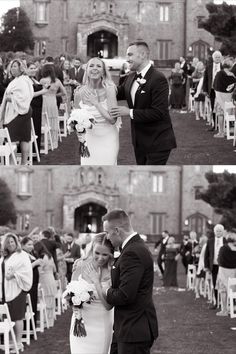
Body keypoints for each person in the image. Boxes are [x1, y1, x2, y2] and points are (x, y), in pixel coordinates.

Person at [101, 209, 158, 354]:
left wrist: (104, 288)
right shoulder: (131, 248)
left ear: (117, 230)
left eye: (107, 232)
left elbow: (124, 295)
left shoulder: (133, 252)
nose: (107, 238)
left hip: (134, 330)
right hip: (127, 328)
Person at [110, 41, 176, 165]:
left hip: (158, 141)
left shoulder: (158, 78)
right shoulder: (131, 77)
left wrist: (129, 112)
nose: (127, 59)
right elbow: (117, 92)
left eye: (130, 55)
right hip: (139, 141)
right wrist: (97, 87)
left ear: (143, 55)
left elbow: (159, 112)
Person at [70, 232, 114, 354]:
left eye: (105, 254)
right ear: (92, 249)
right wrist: (73, 303)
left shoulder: (113, 271)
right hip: (79, 323)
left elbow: (109, 306)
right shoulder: (80, 265)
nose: (100, 258)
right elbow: (71, 290)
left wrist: (96, 282)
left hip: (101, 324)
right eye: (97, 253)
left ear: (111, 254)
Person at [74, 57, 121, 165]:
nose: (95, 68)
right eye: (91, 65)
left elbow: (113, 120)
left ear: (103, 71)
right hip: (89, 140)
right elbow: (76, 119)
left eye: (98, 66)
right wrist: (78, 130)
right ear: (87, 70)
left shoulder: (110, 89)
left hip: (108, 138)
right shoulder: (79, 92)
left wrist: (96, 103)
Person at [0, 233, 33, 353]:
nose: (10, 244)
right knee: (7, 318)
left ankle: (18, 343)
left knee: (17, 317)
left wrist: (14, 275)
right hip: (5, 290)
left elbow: (26, 271)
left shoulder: (22, 255)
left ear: (16, 242)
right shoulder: (5, 256)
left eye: (12, 241)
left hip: (17, 290)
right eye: (8, 242)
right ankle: (10, 342)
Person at [0, 59, 34, 165]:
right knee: (19, 138)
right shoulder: (17, 80)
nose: (12, 68)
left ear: (21, 68)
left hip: (19, 113)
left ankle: (20, 164)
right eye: (11, 66)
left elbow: (24, 97)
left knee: (17, 139)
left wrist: (8, 98)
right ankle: (13, 164)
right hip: (18, 112)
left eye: (15, 66)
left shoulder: (23, 80)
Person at [40, 64, 67, 149]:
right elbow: (64, 93)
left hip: (44, 101)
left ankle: (45, 142)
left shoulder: (42, 80)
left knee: (45, 120)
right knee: (53, 120)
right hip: (53, 101)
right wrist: (55, 95)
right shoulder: (57, 81)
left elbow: (41, 91)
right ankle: (53, 143)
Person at [27, 61, 49, 154]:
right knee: (32, 129)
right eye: (31, 68)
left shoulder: (34, 79)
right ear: (26, 69)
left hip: (38, 107)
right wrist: (43, 91)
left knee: (37, 128)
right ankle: (30, 152)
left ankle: (36, 152)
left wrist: (45, 88)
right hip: (31, 107)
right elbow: (29, 95)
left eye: (34, 68)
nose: (33, 70)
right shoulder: (26, 80)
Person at [21, 236, 43, 326]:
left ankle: (32, 326)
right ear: (22, 245)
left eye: (32, 244)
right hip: (28, 283)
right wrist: (35, 263)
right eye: (29, 244)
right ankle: (28, 327)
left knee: (33, 304)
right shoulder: (22, 254)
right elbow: (24, 269)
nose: (31, 246)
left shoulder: (32, 253)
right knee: (28, 305)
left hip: (34, 282)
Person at [213, 57, 236, 138]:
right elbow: (233, 88)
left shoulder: (219, 74)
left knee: (220, 114)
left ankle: (221, 132)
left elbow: (214, 85)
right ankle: (229, 131)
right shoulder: (233, 76)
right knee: (230, 114)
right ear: (230, 66)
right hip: (229, 98)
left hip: (220, 97)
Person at [204, 224, 226, 309]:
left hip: (224, 267)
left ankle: (225, 304)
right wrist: (206, 266)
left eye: (220, 231)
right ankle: (216, 302)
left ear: (223, 232)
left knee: (224, 285)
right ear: (214, 232)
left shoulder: (225, 241)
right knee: (214, 284)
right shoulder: (210, 241)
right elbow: (206, 255)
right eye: (217, 231)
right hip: (213, 266)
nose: (218, 232)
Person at [217, 229, 236, 316]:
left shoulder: (223, 248)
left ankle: (224, 310)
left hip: (223, 271)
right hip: (234, 272)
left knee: (223, 290)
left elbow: (219, 260)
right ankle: (232, 308)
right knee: (233, 291)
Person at [202, 50, 223, 131]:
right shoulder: (209, 66)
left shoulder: (223, 67)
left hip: (221, 91)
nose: (218, 58)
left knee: (220, 108)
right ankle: (215, 125)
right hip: (212, 90)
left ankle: (221, 126)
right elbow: (205, 79)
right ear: (213, 58)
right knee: (213, 107)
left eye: (219, 57)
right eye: (216, 57)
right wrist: (205, 90)